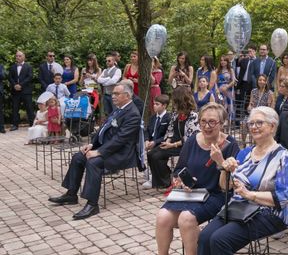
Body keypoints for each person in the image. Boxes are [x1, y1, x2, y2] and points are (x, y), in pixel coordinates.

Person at [182, 107, 288, 255]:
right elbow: (226, 189)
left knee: (220, 239)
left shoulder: (284, 157)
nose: (253, 127)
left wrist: (250, 194)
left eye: (259, 123)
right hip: (239, 208)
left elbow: (282, 197)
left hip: (270, 213)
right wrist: (224, 168)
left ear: (272, 126)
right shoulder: (245, 153)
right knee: (205, 236)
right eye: (251, 123)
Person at [153, 103, 239, 255]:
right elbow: (178, 169)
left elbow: (231, 182)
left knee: (186, 218)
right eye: (203, 122)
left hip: (215, 195)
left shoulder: (231, 145)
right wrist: (179, 180)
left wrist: (220, 162)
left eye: (212, 122)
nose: (207, 126)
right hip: (189, 192)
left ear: (222, 123)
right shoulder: (192, 140)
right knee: (163, 217)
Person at [48, 82, 142, 220]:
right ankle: (71, 194)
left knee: (93, 162)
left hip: (122, 153)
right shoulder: (119, 108)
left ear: (127, 96)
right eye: (113, 93)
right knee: (78, 157)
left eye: (116, 94)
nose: (113, 96)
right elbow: (104, 129)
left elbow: (120, 140)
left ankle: (92, 204)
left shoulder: (133, 114)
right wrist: (92, 144)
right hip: (108, 148)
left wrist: (99, 152)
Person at [148, 86, 200, 189]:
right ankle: (166, 179)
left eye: (174, 100)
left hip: (185, 146)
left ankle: (167, 180)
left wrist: (172, 144)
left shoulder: (193, 116)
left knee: (157, 156)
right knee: (151, 154)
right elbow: (170, 130)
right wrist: (167, 142)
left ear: (180, 100)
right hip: (173, 143)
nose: (173, 102)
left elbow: (190, 137)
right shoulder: (176, 113)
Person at [142, 94, 171, 189]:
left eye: (157, 104)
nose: (154, 106)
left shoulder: (168, 118)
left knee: (154, 154)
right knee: (137, 148)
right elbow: (146, 130)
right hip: (150, 142)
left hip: (161, 143)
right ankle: (145, 170)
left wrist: (155, 142)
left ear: (164, 105)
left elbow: (167, 135)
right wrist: (146, 140)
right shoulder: (153, 117)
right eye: (154, 103)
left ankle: (154, 177)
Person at [9, 50, 35, 130]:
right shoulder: (12, 67)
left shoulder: (28, 66)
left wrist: (20, 85)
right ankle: (15, 125)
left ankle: (32, 124)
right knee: (15, 108)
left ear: (24, 57)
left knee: (29, 108)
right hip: (15, 91)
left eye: (20, 56)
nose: (18, 57)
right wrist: (15, 85)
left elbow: (29, 77)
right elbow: (10, 77)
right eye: (17, 56)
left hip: (26, 91)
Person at [236, 45, 256, 113]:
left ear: (255, 52)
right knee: (240, 100)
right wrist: (238, 57)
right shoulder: (244, 60)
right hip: (243, 83)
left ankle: (247, 115)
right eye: (248, 51)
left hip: (252, 84)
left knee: (249, 101)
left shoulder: (258, 61)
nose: (249, 53)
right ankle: (238, 119)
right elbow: (237, 67)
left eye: (251, 51)